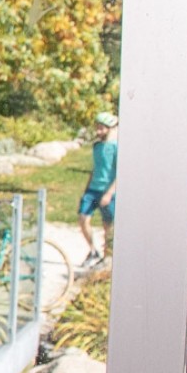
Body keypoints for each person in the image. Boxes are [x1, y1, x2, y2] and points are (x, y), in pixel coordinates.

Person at [78, 112, 119, 269]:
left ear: (110, 129)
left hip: (107, 191)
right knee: (83, 218)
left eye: (102, 128)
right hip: (93, 189)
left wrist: (109, 193)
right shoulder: (97, 146)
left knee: (107, 225)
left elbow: (120, 173)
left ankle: (107, 257)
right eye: (97, 128)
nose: (98, 131)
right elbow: (95, 168)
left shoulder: (116, 147)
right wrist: (86, 189)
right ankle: (93, 251)